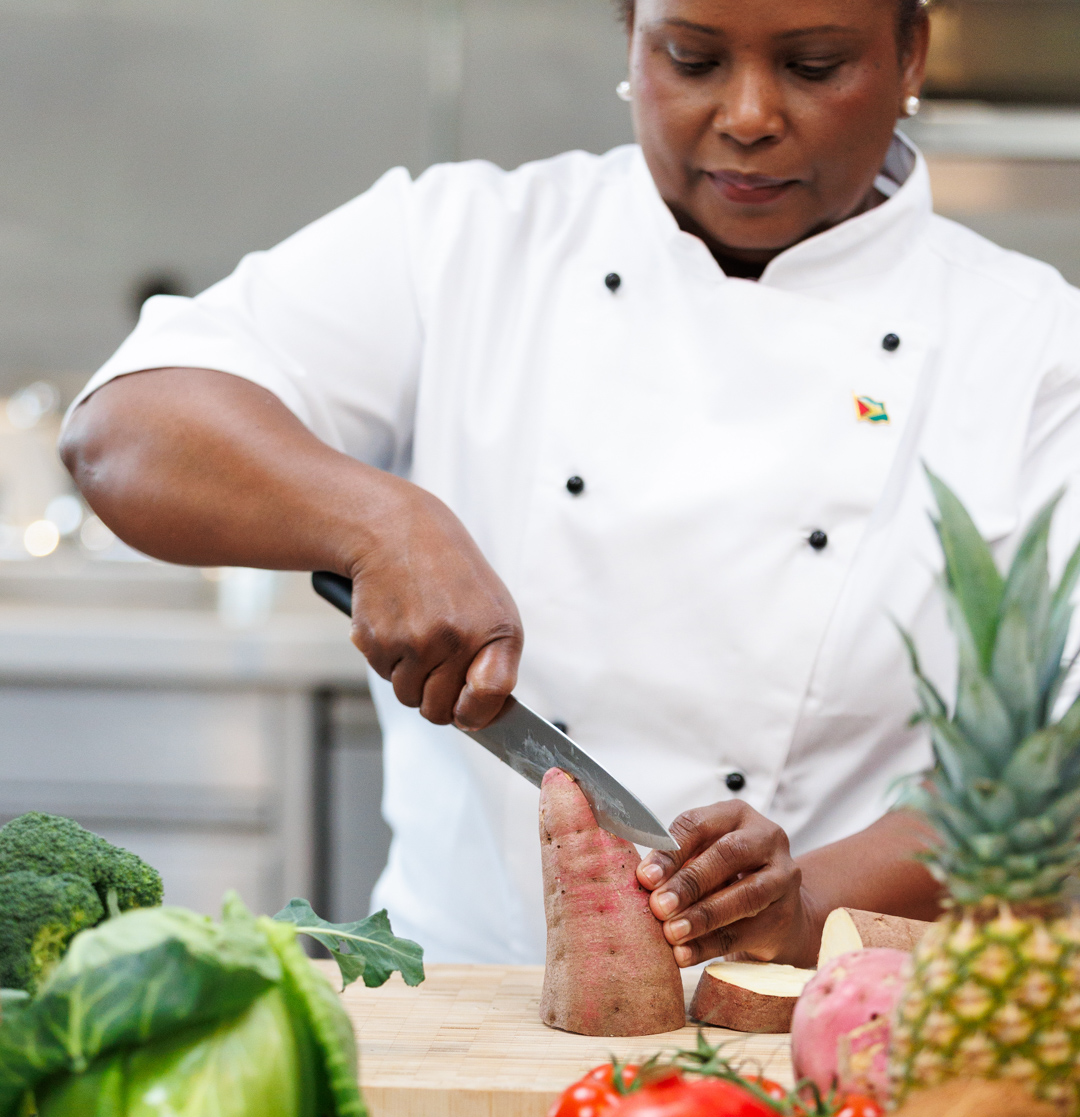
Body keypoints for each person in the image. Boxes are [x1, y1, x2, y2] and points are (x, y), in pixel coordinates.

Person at [60, 0, 1080, 968]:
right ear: (629, 37)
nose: (750, 115)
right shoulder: (466, 242)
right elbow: (122, 434)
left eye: (814, 66)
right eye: (692, 59)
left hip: (822, 1027)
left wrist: (806, 905)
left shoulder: (1032, 347)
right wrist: (377, 521)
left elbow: (1054, 768)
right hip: (470, 1010)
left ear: (911, 53)